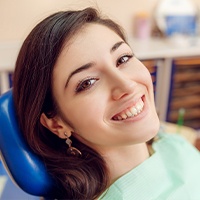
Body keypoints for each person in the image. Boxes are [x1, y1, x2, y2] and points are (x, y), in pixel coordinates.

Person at [13, 7, 200, 200]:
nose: (126, 84)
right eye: (88, 83)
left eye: (123, 59)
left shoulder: (168, 142)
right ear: (57, 123)